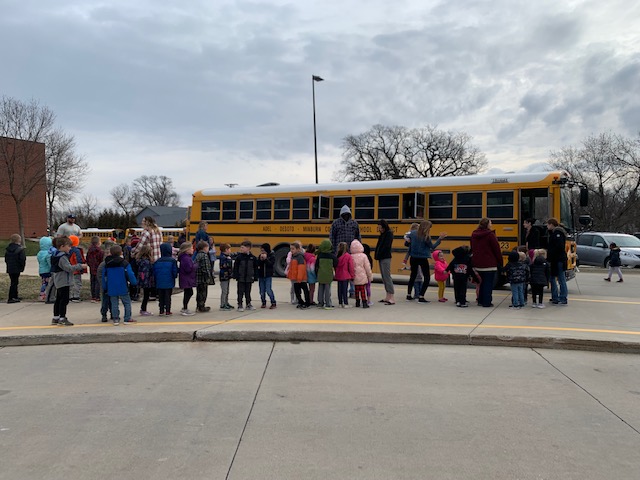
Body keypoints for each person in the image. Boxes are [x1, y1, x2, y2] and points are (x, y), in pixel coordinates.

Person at [406, 220, 447, 303]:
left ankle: (409, 295)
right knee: (427, 277)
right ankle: (421, 296)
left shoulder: (412, 233)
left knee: (412, 276)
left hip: (413, 257)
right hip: (423, 258)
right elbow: (432, 247)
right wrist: (439, 239)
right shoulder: (426, 236)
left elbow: (406, 244)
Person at [50, 236, 84, 326]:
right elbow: (68, 268)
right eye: (68, 246)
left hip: (58, 279)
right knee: (64, 300)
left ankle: (56, 317)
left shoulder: (54, 255)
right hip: (64, 280)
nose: (70, 248)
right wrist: (80, 266)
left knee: (58, 299)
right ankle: (62, 318)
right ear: (62, 246)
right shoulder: (62, 257)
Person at [470, 218, 503, 308]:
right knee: (488, 284)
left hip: (477, 263)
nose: (491, 224)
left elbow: (472, 248)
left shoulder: (474, 234)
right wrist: (500, 261)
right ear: (487, 224)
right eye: (490, 222)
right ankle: (487, 302)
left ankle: (480, 300)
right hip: (489, 263)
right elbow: (496, 249)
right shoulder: (490, 235)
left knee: (481, 283)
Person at [329, 205, 361, 297]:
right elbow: (332, 237)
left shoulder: (354, 223)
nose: (346, 216)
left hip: (351, 251)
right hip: (339, 252)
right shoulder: (336, 223)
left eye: (347, 214)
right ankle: (343, 291)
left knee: (352, 270)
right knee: (341, 271)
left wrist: (359, 249)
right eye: (344, 214)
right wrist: (333, 250)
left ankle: (352, 290)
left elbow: (358, 236)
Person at [103, 244, 138, 325]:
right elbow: (130, 274)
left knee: (114, 303)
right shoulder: (124, 263)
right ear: (121, 253)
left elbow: (104, 277)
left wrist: (105, 286)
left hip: (111, 286)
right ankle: (127, 318)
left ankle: (116, 319)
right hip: (123, 285)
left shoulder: (107, 264)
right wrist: (134, 282)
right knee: (127, 302)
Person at [546, 218, 568, 305]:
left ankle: (562, 297)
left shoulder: (558, 234)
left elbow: (559, 247)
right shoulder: (555, 233)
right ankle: (555, 297)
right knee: (553, 278)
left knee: (561, 279)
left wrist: (550, 253)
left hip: (558, 260)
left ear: (551, 224)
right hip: (555, 260)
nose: (547, 226)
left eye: (548, 224)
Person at [153, 243, 178, 316]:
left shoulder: (157, 261)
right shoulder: (172, 261)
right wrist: (175, 276)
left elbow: (154, 271)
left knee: (161, 297)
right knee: (168, 296)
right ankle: (167, 310)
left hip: (159, 282)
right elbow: (174, 271)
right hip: (169, 281)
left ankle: (161, 310)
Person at [233, 240, 258, 312]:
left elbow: (255, 267)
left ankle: (248, 303)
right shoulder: (239, 258)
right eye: (241, 247)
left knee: (248, 291)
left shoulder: (252, 258)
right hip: (241, 278)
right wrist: (236, 275)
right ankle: (240, 304)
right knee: (240, 292)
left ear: (248, 248)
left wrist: (255, 277)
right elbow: (236, 267)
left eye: (243, 247)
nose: (241, 249)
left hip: (249, 278)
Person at [374, 219, 395, 304]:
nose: (380, 229)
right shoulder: (382, 234)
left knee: (387, 276)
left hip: (385, 257)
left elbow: (386, 246)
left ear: (384, 226)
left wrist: (379, 253)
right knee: (384, 277)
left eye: (381, 228)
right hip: (381, 257)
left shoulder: (389, 234)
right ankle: (387, 295)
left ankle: (392, 296)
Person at [350, 239, 373, 309]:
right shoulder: (364, 256)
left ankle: (357, 302)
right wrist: (370, 276)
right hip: (363, 276)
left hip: (355, 276)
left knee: (356, 289)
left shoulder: (351, 256)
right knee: (362, 290)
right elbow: (367, 267)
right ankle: (364, 302)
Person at [287, 241, 310, 309]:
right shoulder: (293, 257)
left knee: (305, 290)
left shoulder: (300, 257)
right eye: (290, 249)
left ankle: (307, 303)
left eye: (293, 249)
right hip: (295, 278)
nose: (291, 250)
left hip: (301, 278)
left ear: (298, 249)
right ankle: (301, 302)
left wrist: (299, 278)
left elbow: (301, 268)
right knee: (297, 292)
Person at [315, 239, 337, 309]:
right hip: (328, 275)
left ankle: (320, 303)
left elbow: (316, 265)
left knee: (320, 289)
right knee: (327, 290)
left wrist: (317, 273)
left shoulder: (320, 255)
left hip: (321, 274)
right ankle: (328, 303)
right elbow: (336, 264)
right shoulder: (332, 256)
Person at [5, 234, 26, 303]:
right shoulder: (20, 249)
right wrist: (22, 267)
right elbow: (22, 259)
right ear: (19, 240)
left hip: (10, 268)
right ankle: (11, 297)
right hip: (17, 267)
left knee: (13, 282)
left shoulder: (8, 249)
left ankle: (14, 296)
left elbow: (6, 259)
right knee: (15, 283)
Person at [194, 240, 215, 312]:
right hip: (203, 278)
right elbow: (206, 268)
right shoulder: (204, 256)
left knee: (198, 292)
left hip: (198, 278)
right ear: (205, 248)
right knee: (203, 293)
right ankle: (202, 306)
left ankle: (198, 305)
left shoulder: (197, 255)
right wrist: (208, 277)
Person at [178, 242, 197, 316]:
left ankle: (185, 307)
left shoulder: (184, 257)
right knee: (188, 292)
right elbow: (188, 269)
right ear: (187, 250)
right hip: (187, 279)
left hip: (186, 278)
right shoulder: (186, 258)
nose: (193, 249)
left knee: (188, 292)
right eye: (191, 248)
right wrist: (195, 266)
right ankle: (185, 308)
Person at [136, 245, 155, 316]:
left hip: (142, 279)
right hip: (146, 281)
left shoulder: (140, 260)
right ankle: (143, 309)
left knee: (146, 295)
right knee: (146, 295)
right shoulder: (146, 262)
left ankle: (143, 309)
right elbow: (146, 272)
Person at [257, 243, 277, 309]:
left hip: (268, 275)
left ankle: (273, 302)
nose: (262, 252)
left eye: (263, 251)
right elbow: (257, 264)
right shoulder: (260, 256)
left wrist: (265, 259)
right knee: (262, 291)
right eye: (261, 251)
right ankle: (263, 302)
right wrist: (260, 260)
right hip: (261, 276)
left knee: (268, 290)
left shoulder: (271, 256)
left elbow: (271, 264)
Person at [335, 241, 354, 308]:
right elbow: (351, 266)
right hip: (345, 275)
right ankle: (345, 303)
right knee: (344, 290)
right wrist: (352, 275)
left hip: (338, 275)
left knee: (339, 290)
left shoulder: (337, 256)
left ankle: (340, 303)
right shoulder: (348, 256)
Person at [86, 236, 104, 303]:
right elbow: (101, 260)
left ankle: (93, 296)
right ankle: (97, 296)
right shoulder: (100, 251)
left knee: (92, 282)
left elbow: (87, 259)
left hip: (92, 268)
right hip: (98, 268)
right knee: (98, 283)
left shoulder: (89, 251)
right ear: (99, 243)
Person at [68, 235, 86, 302]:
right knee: (77, 282)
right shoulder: (77, 251)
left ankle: (69, 296)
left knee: (70, 283)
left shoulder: (67, 250)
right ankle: (76, 296)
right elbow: (79, 260)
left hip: (69, 269)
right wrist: (81, 267)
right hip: (76, 269)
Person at [36, 236, 53, 302]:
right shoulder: (48, 253)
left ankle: (43, 293)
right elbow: (49, 263)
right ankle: (43, 294)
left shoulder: (39, 253)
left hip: (41, 270)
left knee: (44, 282)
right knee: (48, 283)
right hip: (47, 271)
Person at [218, 243, 234, 310]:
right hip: (223, 276)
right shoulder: (223, 257)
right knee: (224, 291)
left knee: (227, 290)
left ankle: (226, 302)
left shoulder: (227, 256)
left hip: (227, 276)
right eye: (229, 249)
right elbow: (225, 265)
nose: (230, 250)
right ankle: (222, 305)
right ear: (226, 250)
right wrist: (229, 260)